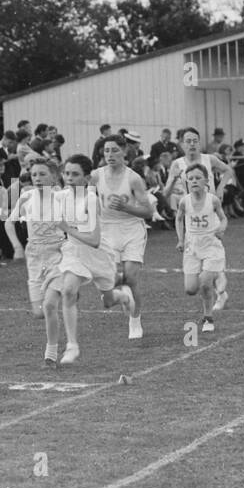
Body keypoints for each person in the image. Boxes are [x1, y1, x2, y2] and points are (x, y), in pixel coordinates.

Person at [41, 154, 127, 366]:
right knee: (69, 290)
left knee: (108, 301)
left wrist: (67, 228)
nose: (69, 177)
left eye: (75, 174)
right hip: (74, 252)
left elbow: (95, 240)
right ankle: (72, 346)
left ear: (86, 178)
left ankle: (123, 297)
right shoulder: (59, 197)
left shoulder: (90, 199)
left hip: (98, 254)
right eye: (67, 173)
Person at [93, 134, 154, 339]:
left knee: (131, 277)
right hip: (106, 230)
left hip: (131, 230)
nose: (110, 155)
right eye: (106, 150)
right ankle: (122, 296)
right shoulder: (95, 176)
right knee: (109, 279)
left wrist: (127, 207)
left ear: (124, 151)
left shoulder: (133, 178)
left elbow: (148, 212)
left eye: (115, 150)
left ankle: (135, 321)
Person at [6, 158, 66, 317]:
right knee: (39, 313)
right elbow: (9, 223)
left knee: (49, 304)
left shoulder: (61, 197)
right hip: (33, 253)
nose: (37, 178)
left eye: (42, 174)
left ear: (53, 177)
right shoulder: (26, 197)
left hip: (57, 252)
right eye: (34, 175)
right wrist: (17, 247)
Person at [175, 162, 228, 333]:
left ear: (206, 181)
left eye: (198, 178)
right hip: (192, 247)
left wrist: (222, 228)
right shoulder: (184, 202)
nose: (194, 181)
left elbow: (224, 218)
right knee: (190, 289)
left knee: (205, 283)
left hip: (211, 245)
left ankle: (208, 318)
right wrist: (180, 240)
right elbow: (178, 219)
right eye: (191, 179)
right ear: (187, 182)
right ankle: (217, 275)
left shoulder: (212, 200)